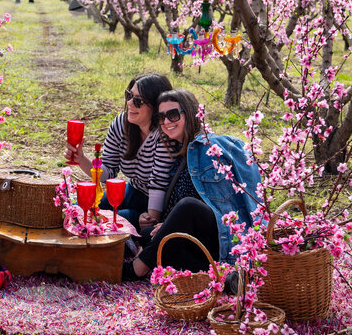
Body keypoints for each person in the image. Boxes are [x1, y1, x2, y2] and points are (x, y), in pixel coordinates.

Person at [124, 88, 261, 281]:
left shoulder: (205, 149)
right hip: (197, 239)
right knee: (148, 234)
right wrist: (165, 225)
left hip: (221, 238)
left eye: (172, 115)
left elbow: (216, 206)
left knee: (187, 206)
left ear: (189, 114)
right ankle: (220, 275)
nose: (166, 122)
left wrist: (170, 223)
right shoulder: (181, 151)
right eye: (161, 117)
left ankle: (138, 268)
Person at [65, 73, 175, 232]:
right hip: (130, 190)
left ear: (156, 106)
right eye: (129, 95)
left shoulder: (164, 134)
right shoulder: (121, 124)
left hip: (155, 203)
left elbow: (158, 184)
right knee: (78, 210)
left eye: (138, 100)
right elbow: (107, 171)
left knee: (112, 222)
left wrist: (151, 218)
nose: (130, 103)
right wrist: (81, 159)